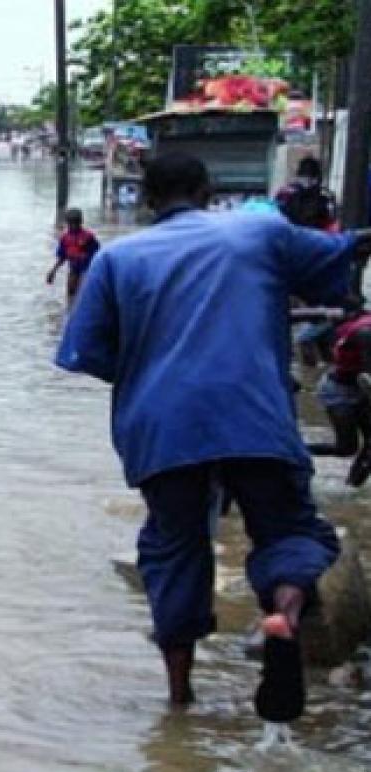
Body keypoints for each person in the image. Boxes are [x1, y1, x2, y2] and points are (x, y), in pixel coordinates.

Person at [56, 152, 371, 722]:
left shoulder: (117, 259)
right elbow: (340, 253)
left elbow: (85, 352)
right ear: (208, 192)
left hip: (163, 429)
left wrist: (148, 370)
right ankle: (283, 615)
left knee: (174, 550)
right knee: (287, 531)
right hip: (256, 417)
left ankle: (179, 700)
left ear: (147, 199)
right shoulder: (259, 233)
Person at [307, 299, 371, 486]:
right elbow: (367, 377)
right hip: (339, 392)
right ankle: (292, 451)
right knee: (346, 448)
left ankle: (352, 487)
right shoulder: (365, 333)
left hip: (357, 387)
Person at [46, 208, 101, 305]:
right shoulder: (65, 238)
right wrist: (53, 271)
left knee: (84, 294)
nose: (74, 226)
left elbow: (98, 255)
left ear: (81, 222)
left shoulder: (88, 237)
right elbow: (62, 257)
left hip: (87, 270)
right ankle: (70, 309)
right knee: (70, 293)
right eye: (71, 224)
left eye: (76, 223)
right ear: (67, 223)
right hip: (74, 269)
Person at [275, 156, 339, 232]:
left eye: (311, 177)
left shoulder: (324, 196)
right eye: (305, 177)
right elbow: (277, 215)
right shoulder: (286, 193)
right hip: (293, 232)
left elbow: (331, 224)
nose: (308, 181)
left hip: (309, 233)